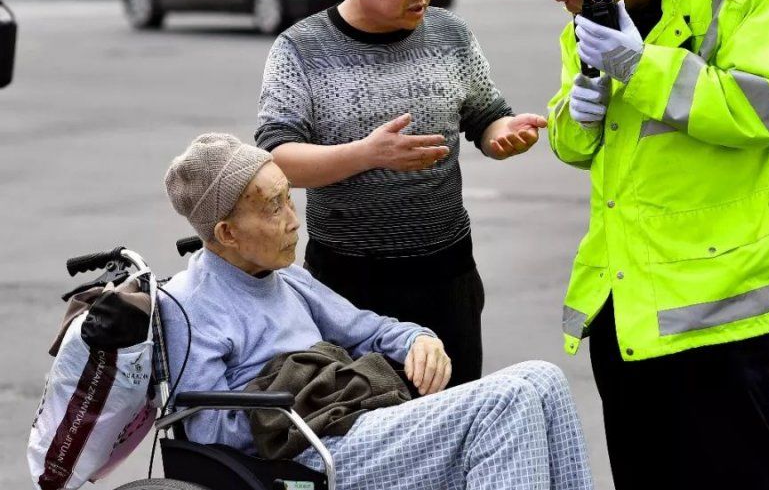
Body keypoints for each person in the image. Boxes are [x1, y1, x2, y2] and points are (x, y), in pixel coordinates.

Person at [504, 0, 769, 490]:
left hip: (721, 311)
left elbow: (761, 112)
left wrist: (640, 67)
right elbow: (577, 148)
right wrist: (581, 109)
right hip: (628, 307)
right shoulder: (590, 23)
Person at [160, 133, 593, 490]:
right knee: (505, 401)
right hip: (301, 455)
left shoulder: (287, 277)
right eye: (274, 207)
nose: (294, 220)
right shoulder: (189, 305)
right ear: (226, 233)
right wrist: (301, 397)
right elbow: (208, 434)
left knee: (543, 378)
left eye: (290, 199)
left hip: (350, 424)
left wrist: (416, 339)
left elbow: (369, 329)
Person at [255, 0, 547, 388]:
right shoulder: (300, 49)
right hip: (346, 286)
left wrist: (504, 136)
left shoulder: (451, 35)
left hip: (447, 275)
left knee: (455, 425)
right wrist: (366, 154)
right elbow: (278, 160)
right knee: (362, 433)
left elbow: (486, 115)